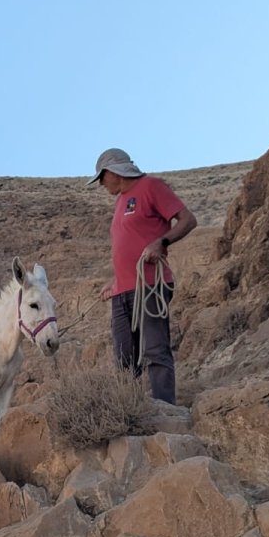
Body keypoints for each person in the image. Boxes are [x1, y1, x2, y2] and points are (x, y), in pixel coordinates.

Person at [88, 148, 197, 404]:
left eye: (101, 178)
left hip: (150, 285)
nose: (101, 184)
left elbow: (188, 220)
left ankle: (167, 410)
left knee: (155, 350)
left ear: (113, 172)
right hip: (122, 292)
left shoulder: (151, 186)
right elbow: (130, 244)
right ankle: (130, 411)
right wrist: (115, 283)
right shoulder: (120, 202)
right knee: (124, 358)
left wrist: (162, 242)